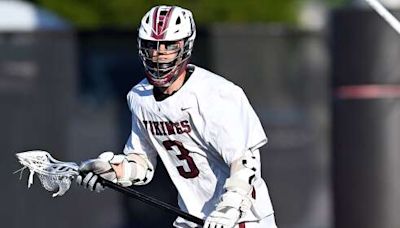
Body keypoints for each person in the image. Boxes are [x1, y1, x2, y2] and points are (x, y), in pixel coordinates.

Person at [76, 5, 277, 228]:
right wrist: (112, 171)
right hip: (192, 218)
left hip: (242, 219)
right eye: (151, 45)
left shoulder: (217, 94)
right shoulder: (140, 98)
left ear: (186, 46)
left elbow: (246, 161)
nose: (158, 54)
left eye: (169, 46)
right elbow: (142, 165)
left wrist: (228, 208)